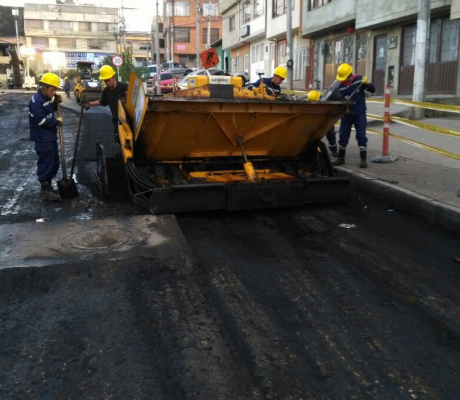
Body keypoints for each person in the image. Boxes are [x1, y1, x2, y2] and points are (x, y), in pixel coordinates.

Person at [29, 72, 64, 201]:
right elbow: (41, 121)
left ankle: (48, 187)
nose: (54, 92)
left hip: (49, 137)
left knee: (54, 162)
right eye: (52, 89)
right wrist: (56, 122)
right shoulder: (36, 101)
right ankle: (45, 191)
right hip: (43, 138)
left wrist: (55, 104)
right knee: (46, 163)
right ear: (44, 87)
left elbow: (48, 111)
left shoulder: (46, 99)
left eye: (55, 89)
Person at [332, 63, 375, 168]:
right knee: (343, 135)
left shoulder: (360, 80)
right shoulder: (340, 87)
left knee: (361, 135)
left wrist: (368, 84)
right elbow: (338, 99)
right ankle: (341, 158)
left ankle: (363, 159)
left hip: (359, 113)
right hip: (347, 114)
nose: (341, 81)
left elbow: (372, 90)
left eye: (343, 79)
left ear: (349, 76)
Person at [81, 65, 128, 141]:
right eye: (105, 81)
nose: (107, 83)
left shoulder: (124, 87)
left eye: (108, 80)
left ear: (113, 77)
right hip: (117, 121)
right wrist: (89, 104)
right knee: (119, 142)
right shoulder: (106, 91)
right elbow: (102, 102)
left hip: (128, 120)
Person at [307, 90, 338, 157]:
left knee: (331, 135)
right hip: (318, 122)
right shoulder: (310, 105)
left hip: (327, 120)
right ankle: (314, 149)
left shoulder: (325, 102)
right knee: (315, 136)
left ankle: (334, 150)